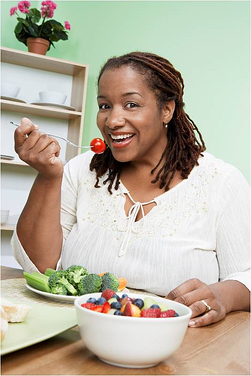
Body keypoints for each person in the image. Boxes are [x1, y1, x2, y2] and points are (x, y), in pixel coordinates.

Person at [12, 51, 250, 327]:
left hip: (180, 346)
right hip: (78, 336)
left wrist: (221, 296)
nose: (112, 121)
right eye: (104, 106)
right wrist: (48, 177)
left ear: (167, 110)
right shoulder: (80, 170)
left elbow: (247, 274)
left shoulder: (221, 181)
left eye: (131, 104)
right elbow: (40, 268)